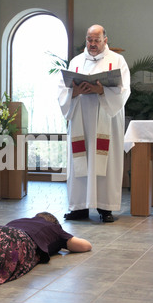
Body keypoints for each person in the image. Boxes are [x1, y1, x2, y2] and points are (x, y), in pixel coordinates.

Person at [58, 24, 130, 223]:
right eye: (89, 40)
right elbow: (63, 91)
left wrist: (101, 91)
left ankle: (105, 208)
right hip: (81, 116)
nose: (92, 44)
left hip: (106, 117)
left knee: (105, 161)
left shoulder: (117, 61)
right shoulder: (76, 62)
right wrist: (76, 91)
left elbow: (124, 90)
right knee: (80, 159)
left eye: (96, 40)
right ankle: (79, 207)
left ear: (105, 40)